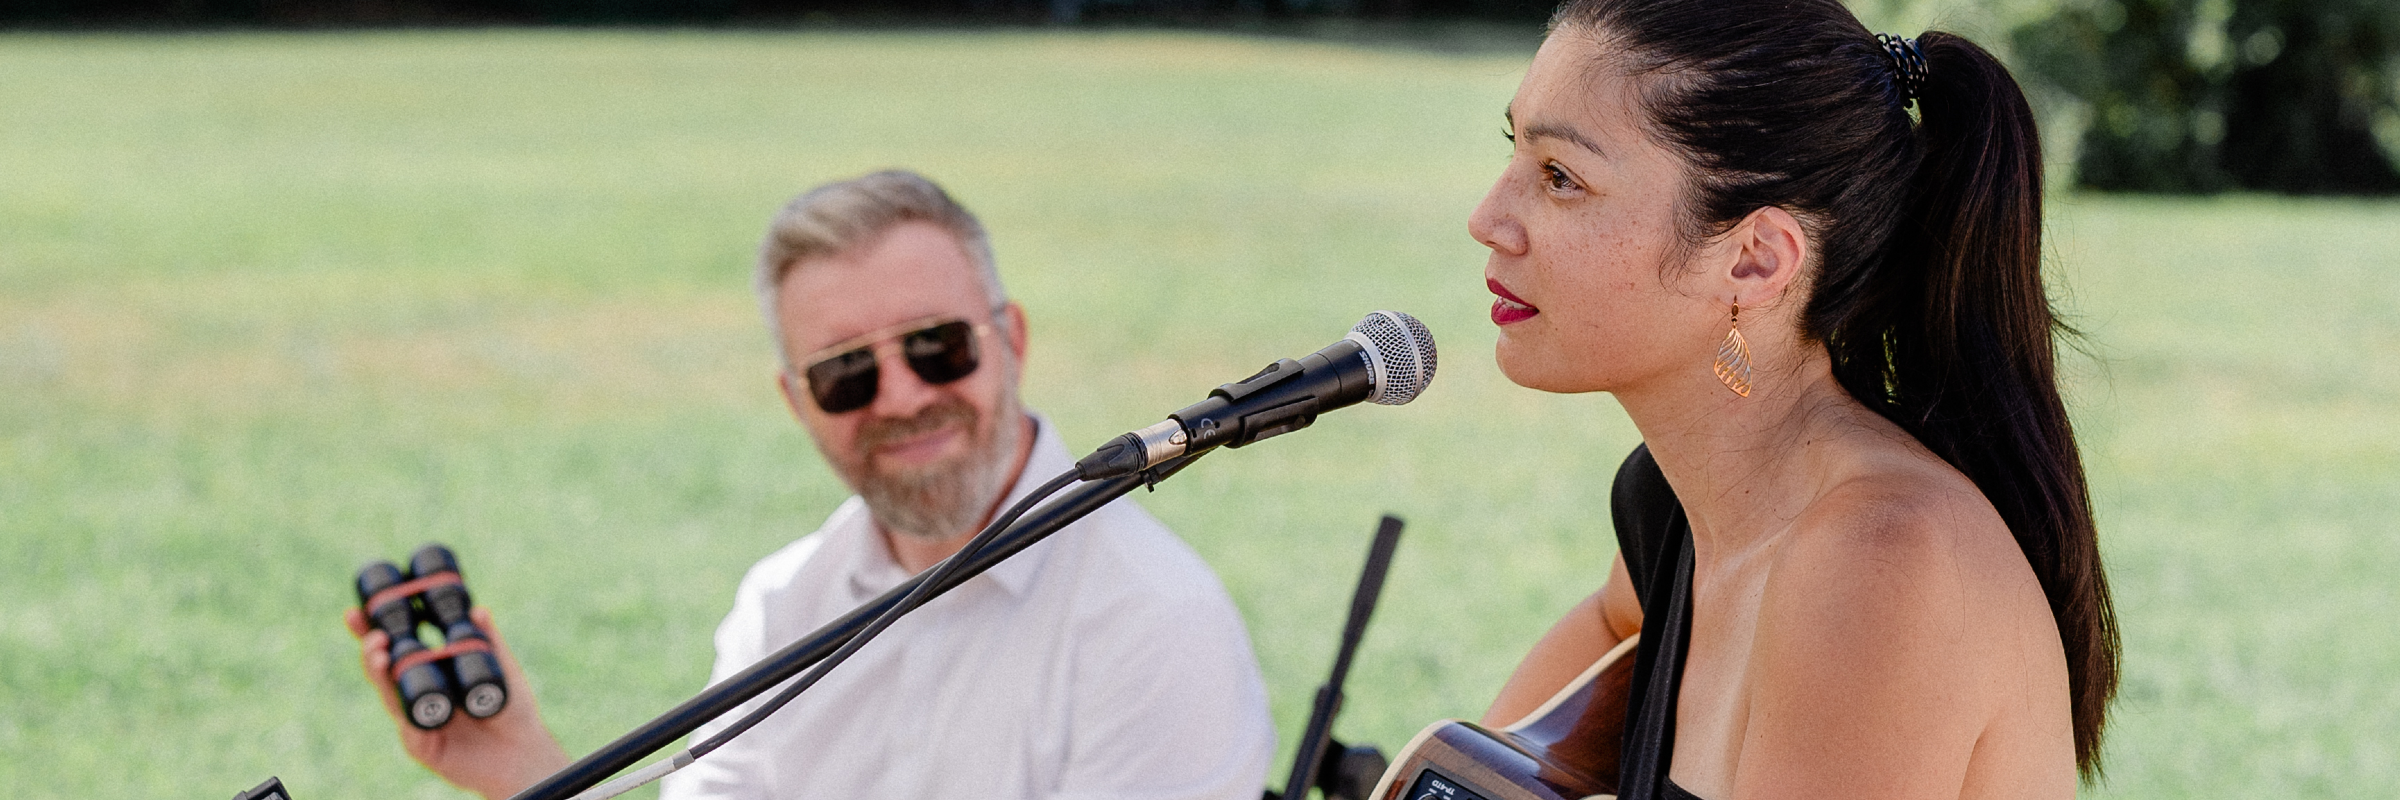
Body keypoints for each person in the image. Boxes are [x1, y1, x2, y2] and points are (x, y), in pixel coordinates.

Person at [345, 170, 1276, 800]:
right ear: (797, 403)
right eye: (846, 374)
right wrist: (523, 769)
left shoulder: (1154, 622)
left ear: (1013, 340)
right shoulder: (783, 605)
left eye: (936, 347)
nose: (904, 397)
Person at [1464, 2, 2119, 799]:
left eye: (1560, 177)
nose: (1488, 219)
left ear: (1752, 261)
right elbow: (1526, 732)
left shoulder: (1881, 563)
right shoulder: (1672, 507)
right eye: (1515, 151)